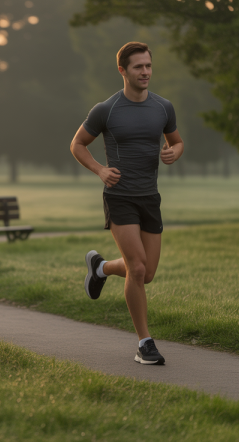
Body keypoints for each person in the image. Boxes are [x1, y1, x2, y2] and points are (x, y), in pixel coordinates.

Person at [70, 42, 184, 365]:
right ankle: (145, 344)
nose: (145, 72)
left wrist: (174, 152)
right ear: (123, 70)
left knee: (146, 273)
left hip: (150, 197)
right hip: (120, 196)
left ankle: (101, 268)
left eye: (148, 66)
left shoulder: (163, 107)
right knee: (137, 267)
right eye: (138, 67)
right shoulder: (106, 109)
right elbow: (77, 144)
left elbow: (176, 141)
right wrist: (100, 170)